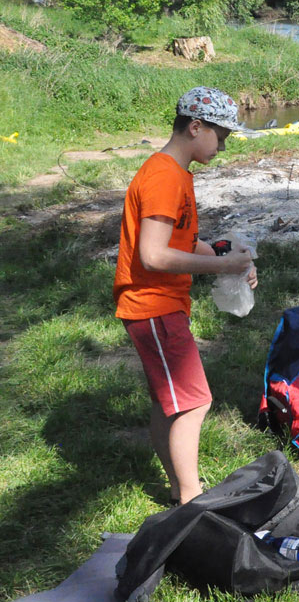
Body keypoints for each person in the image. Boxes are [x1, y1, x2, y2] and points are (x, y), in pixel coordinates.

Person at [114, 86, 258, 506]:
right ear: (196, 127)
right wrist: (222, 268)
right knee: (194, 402)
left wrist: (228, 256)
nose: (223, 146)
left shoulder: (176, 174)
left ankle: (181, 489)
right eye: (221, 136)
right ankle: (193, 500)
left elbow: (184, 242)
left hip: (160, 305)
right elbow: (154, 255)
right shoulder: (163, 177)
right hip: (152, 304)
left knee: (170, 401)